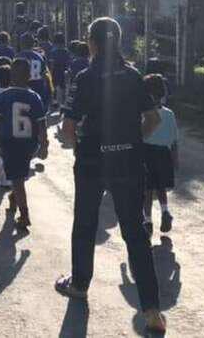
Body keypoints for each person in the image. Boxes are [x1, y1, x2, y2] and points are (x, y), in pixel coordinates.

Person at [56, 17, 166, 333]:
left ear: (92, 43)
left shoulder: (85, 77)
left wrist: (76, 147)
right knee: (135, 232)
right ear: (117, 42)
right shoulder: (133, 76)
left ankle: (79, 284)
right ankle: (152, 310)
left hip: (92, 161)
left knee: (85, 223)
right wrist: (132, 141)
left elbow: (68, 128)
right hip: (128, 161)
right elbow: (154, 119)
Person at [0, 58, 48, 232]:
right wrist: (44, 145)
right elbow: (42, 124)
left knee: (18, 179)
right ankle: (14, 197)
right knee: (19, 175)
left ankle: (25, 215)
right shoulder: (34, 97)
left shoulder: (3, 96)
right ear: (29, 76)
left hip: (10, 143)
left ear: (11, 76)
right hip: (29, 144)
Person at [142, 74, 179, 236]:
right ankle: (165, 211)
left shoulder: (143, 115)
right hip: (164, 154)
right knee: (160, 186)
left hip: (146, 153)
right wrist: (175, 160)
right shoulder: (169, 114)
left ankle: (147, 220)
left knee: (147, 190)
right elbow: (174, 140)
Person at [16, 32, 52, 115]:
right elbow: (44, 75)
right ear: (33, 44)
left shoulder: (18, 56)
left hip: (22, 89)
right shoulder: (39, 57)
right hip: (38, 88)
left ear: (21, 44)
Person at [47, 32, 72, 110]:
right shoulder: (66, 52)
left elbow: (52, 63)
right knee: (63, 88)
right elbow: (68, 63)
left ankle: (54, 103)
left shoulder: (53, 52)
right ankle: (63, 105)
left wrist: (50, 73)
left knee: (53, 88)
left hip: (55, 71)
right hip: (63, 71)